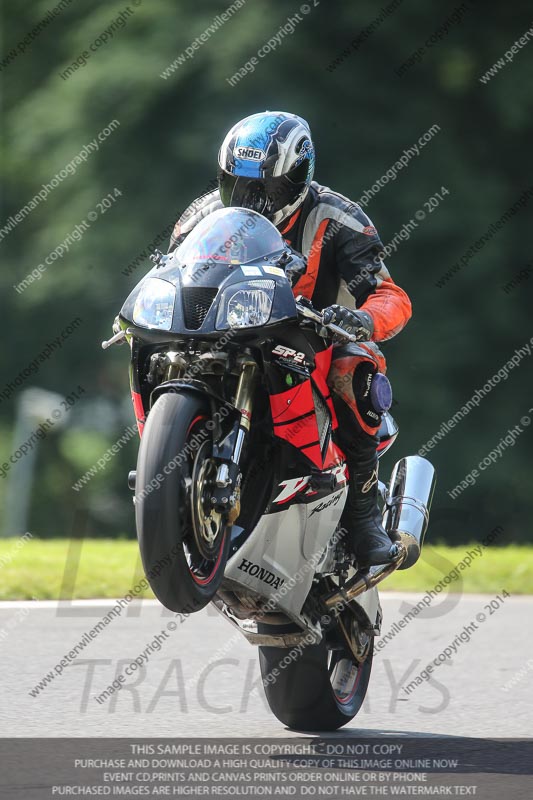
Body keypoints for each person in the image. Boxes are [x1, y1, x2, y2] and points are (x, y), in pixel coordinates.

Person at [168, 111, 412, 567]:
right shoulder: (203, 215)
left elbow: (389, 294)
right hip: (222, 333)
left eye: (265, 188)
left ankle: (362, 515)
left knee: (353, 372)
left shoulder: (337, 218)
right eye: (237, 185)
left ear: (298, 177)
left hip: (314, 337)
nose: (250, 199)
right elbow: (167, 271)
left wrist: (360, 320)